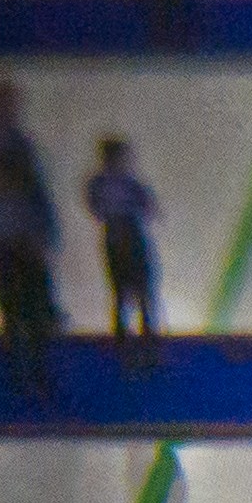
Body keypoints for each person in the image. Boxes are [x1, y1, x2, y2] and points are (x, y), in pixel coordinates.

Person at [0, 79, 63, 398]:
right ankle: (27, 374)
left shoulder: (12, 151)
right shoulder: (4, 149)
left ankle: (31, 373)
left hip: (20, 250)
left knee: (28, 315)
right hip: (17, 252)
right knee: (21, 315)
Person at [85, 136, 163, 369]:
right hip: (121, 234)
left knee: (138, 289)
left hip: (126, 234)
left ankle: (144, 337)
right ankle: (130, 340)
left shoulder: (124, 183)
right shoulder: (109, 183)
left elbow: (149, 206)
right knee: (125, 289)